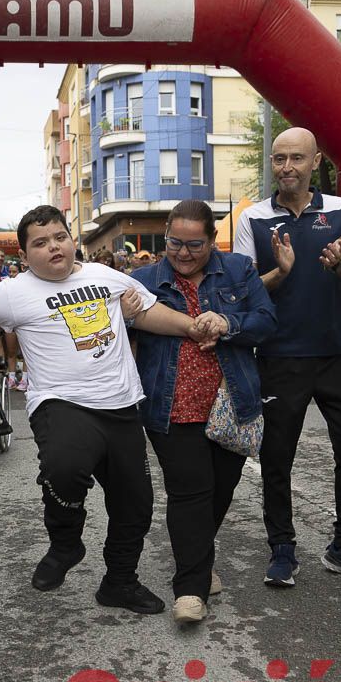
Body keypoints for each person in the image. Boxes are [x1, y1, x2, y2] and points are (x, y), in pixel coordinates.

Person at [0, 205, 223, 616]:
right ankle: (66, 541)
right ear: (24, 252)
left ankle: (119, 582)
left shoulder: (106, 277)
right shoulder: (13, 292)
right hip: (61, 401)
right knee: (64, 466)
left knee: (136, 505)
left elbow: (148, 313)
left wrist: (191, 326)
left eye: (59, 237)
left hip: (122, 406)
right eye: (40, 242)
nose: (53, 247)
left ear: (72, 240)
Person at [233, 127, 341, 589]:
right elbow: (243, 293)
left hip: (338, 353)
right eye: (279, 159)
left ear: (317, 161)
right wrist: (281, 271)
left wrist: (340, 265)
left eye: (297, 158)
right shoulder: (252, 218)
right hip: (278, 356)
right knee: (277, 457)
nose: (287, 167)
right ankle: (281, 546)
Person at [133, 200, 277, 623]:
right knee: (189, 492)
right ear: (165, 235)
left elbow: (267, 321)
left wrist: (228, 324)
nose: (182, 253)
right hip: (169, 406)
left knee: (220, 490)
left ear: (212, 241)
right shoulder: (142, 280)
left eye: (194, 245)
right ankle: (190, 590)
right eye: (174, 242)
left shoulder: (238, 271)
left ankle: (198, 555)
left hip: (231, 403)